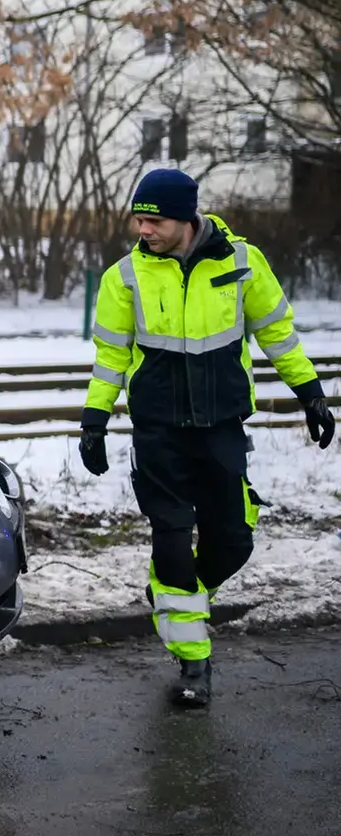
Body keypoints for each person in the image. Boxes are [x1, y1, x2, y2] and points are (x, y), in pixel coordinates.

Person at [79, 168, 332, 708]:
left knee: (235, 539)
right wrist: (94, 422)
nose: (142, 229)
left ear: (186, 218)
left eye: (154, 219)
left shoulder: (243, 263)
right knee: (170, 539)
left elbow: (277, 333)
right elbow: (110, 359)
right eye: (138, 219)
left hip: (221, 429)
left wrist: (310, 392)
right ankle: (194, 662)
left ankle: (173, 596)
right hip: (159, 434)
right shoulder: (124, 278)